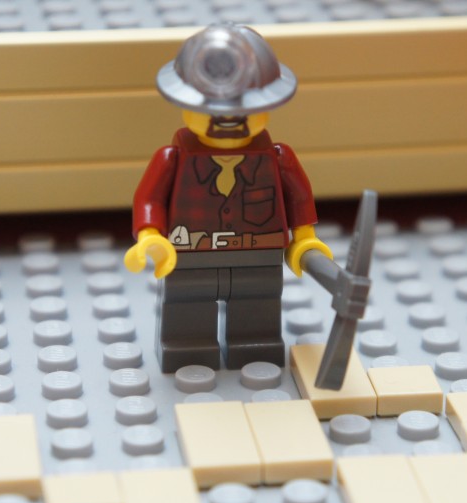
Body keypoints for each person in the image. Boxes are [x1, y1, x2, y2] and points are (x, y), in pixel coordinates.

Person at [124, 23, 332, 373]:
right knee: (188, 306)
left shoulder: (278, 157)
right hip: (190, 255)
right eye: (211, 113)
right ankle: (186, 347)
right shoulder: (172, 158)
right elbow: (150, 200)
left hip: (259, 254)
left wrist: (305, 239)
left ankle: (254, 346)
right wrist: (150, 236)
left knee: (258, 305)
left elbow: (298, 200)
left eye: (243, 114)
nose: (228, 122)